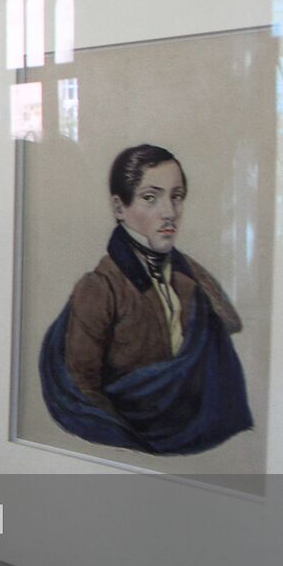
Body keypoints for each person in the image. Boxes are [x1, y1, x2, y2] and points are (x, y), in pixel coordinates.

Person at [39, 143, 253, 455]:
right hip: (126, 449)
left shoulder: (190, 279)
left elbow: (226, 332)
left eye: (176, 196)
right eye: (150, 197)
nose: (169, 211)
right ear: (118, 207)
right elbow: (83, 388)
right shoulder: (100, 287)